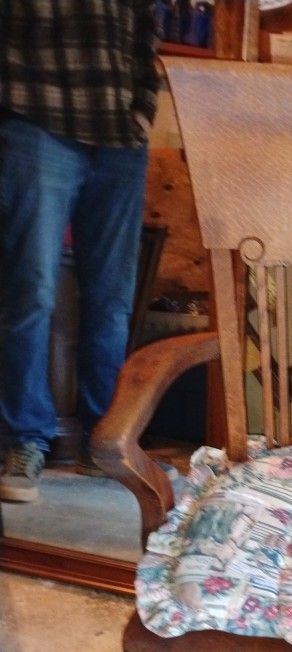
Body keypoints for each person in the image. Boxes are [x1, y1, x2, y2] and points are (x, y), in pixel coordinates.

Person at [0, 1, 160, 502]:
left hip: (118, 135)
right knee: (31, 292)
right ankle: (25, 439)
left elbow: (143, 36)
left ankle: (104, 442)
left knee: (112, 299)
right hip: (35, 118)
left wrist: (142, 110)